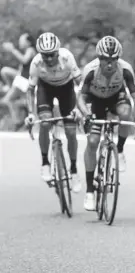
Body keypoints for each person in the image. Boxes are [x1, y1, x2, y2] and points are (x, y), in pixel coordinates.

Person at [77, 35, 135, 211]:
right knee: (92, 142)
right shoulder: (90, 71)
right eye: (104, 60)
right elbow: (81, 98)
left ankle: (120, 150)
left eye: (113, 60)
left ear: (118, 59)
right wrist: (86, 115)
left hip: (116, 98)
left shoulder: (125, 69)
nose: (109, 64)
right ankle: (90, 191)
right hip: (95, 101)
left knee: (125, 113)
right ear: (98, 59)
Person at [24, 32, 82, 193]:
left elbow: (82, 85)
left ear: (58, 51)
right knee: (45, 122)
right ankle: (45, 163)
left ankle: (74, 170)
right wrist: (30, 113)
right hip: (46, 89)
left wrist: (79, 108)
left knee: (71, 132)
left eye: (52, 55)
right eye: (45, 56)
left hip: (66, 89)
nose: (49, 59)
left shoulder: (67, 57)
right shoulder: (36, 62)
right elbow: (30, 90)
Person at [1, 33, 37, 122]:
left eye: (22, 41)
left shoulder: (31, 50)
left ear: (28, 42)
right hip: (22, 79)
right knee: (4, 71)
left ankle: (18, 120)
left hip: (26, 81)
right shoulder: (27, 51)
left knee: (7, 100)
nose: (20, 42)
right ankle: (20, 101)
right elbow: (21, 71)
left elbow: (24, 60)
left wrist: (12, 50)